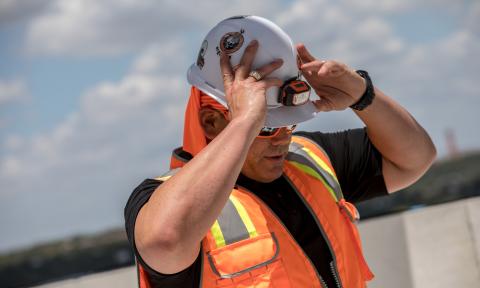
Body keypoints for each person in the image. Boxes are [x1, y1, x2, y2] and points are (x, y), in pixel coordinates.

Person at [124, 16, 436, 288]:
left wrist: (362, 96)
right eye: (268, 127)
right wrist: (247, 119)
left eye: (290, 125)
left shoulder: (309, 158)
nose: (282, 140)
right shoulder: (159, 199)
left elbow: (414, 159)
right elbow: (165, 242)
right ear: (211, 121)